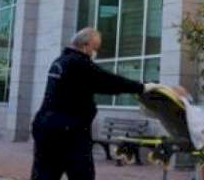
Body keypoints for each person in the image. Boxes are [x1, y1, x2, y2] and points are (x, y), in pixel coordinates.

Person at [30, 27, 158, 180]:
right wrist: (142, 87)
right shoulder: (79, 63)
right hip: (69, 132)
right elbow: (109, 81)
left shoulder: (60, 61)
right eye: (95, 48)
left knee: (44, 174)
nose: (95, 52)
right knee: (82, 175)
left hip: (46, 127)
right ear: (86, 45)